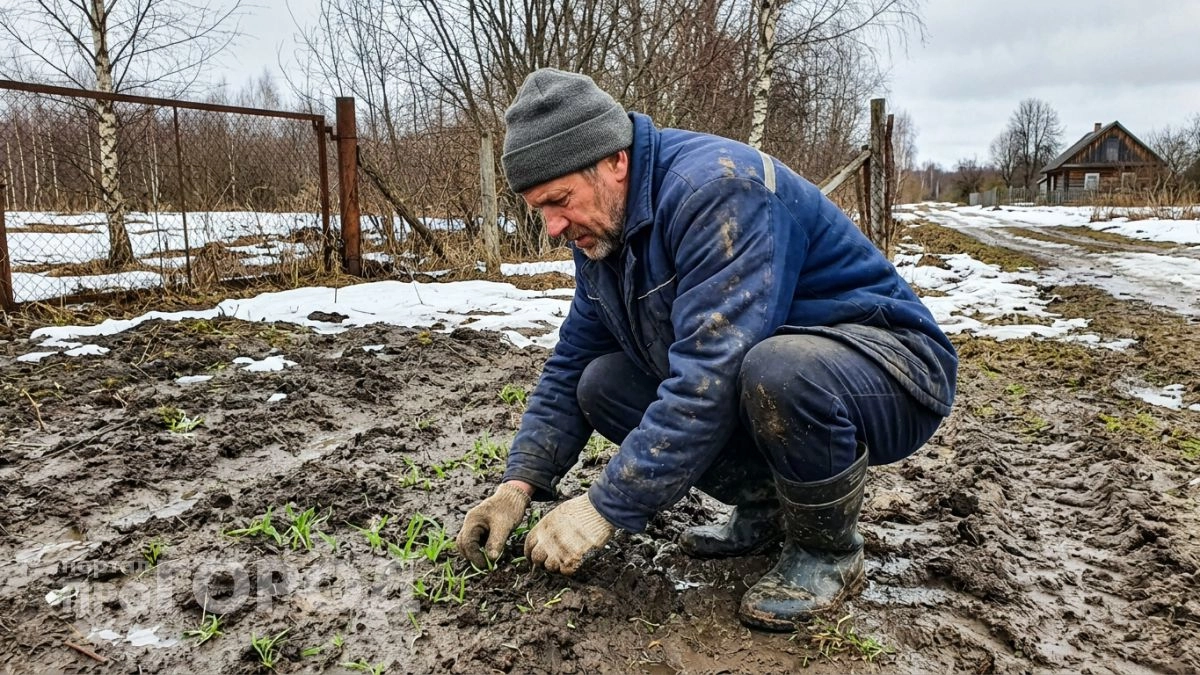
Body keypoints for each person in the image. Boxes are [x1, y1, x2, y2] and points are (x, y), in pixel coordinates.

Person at [455, 68, 957, 631]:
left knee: (778, 371)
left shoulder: (715, 191)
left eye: (559, 200)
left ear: (614, 161)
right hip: (776, 373)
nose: (551, 227)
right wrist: (517, 485)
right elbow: (572, 358)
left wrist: (603, 508)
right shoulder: (604, 231)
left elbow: (710, 375)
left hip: (891, 369)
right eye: (537, 208)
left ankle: (828, 552)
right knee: (601, 382)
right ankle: (768, 509)